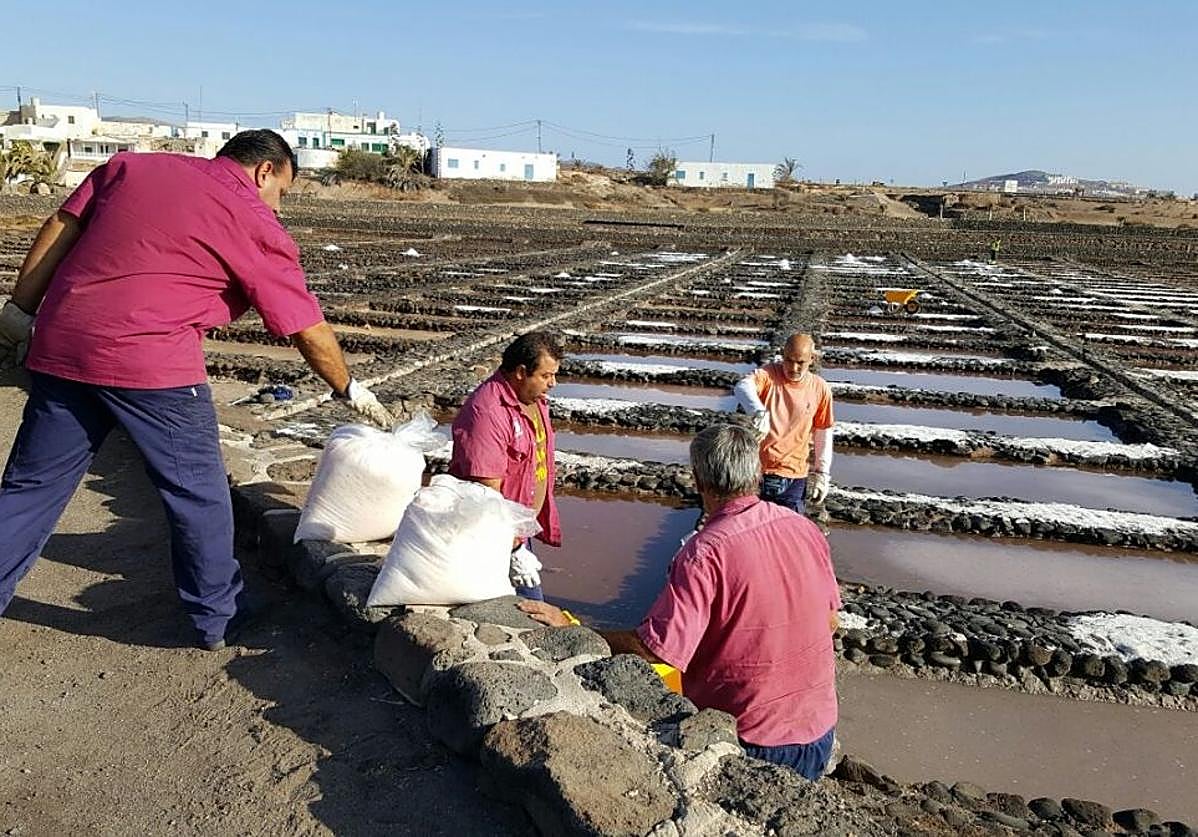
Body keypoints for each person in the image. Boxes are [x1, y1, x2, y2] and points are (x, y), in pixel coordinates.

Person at [0, 130, 393, 651]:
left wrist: (20, 309)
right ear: (265, 171)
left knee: (32, 486)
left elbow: (62, 224)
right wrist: (348, 386)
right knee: (198, 496)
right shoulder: (252, 218)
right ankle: (218, 617)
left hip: (63, 343)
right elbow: (303, 324)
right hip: (152, 364)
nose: (279, 204)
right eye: (283, 191)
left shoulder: (132, 168)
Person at [520, 423, 841, 780]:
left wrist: (576, 629)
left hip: (752, 737)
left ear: (699, 481)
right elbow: (830, 622)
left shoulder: (705, 552)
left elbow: (658, 649)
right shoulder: (803, 528)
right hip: (820, 727)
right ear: (759, 472)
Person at [449, 331, 563, 600]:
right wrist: (512, 551)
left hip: (518, 528)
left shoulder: (532, 400)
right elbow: (486, 492)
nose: (553, 383)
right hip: (496, 534)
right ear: (521, 372)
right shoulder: (488, 412)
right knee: (528, 612)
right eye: (546, 376)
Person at [733, 333, 834, 514]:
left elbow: (823, 432)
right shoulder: (770, 374)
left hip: (794, 478)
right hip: (759, 474)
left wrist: (822, 473)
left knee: (788, 533)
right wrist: (758, 411)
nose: (793, 367)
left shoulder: (820, 388)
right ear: (782, 354)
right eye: (788, 360)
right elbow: (742, 387)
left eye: (800, 362)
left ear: (812, 359)